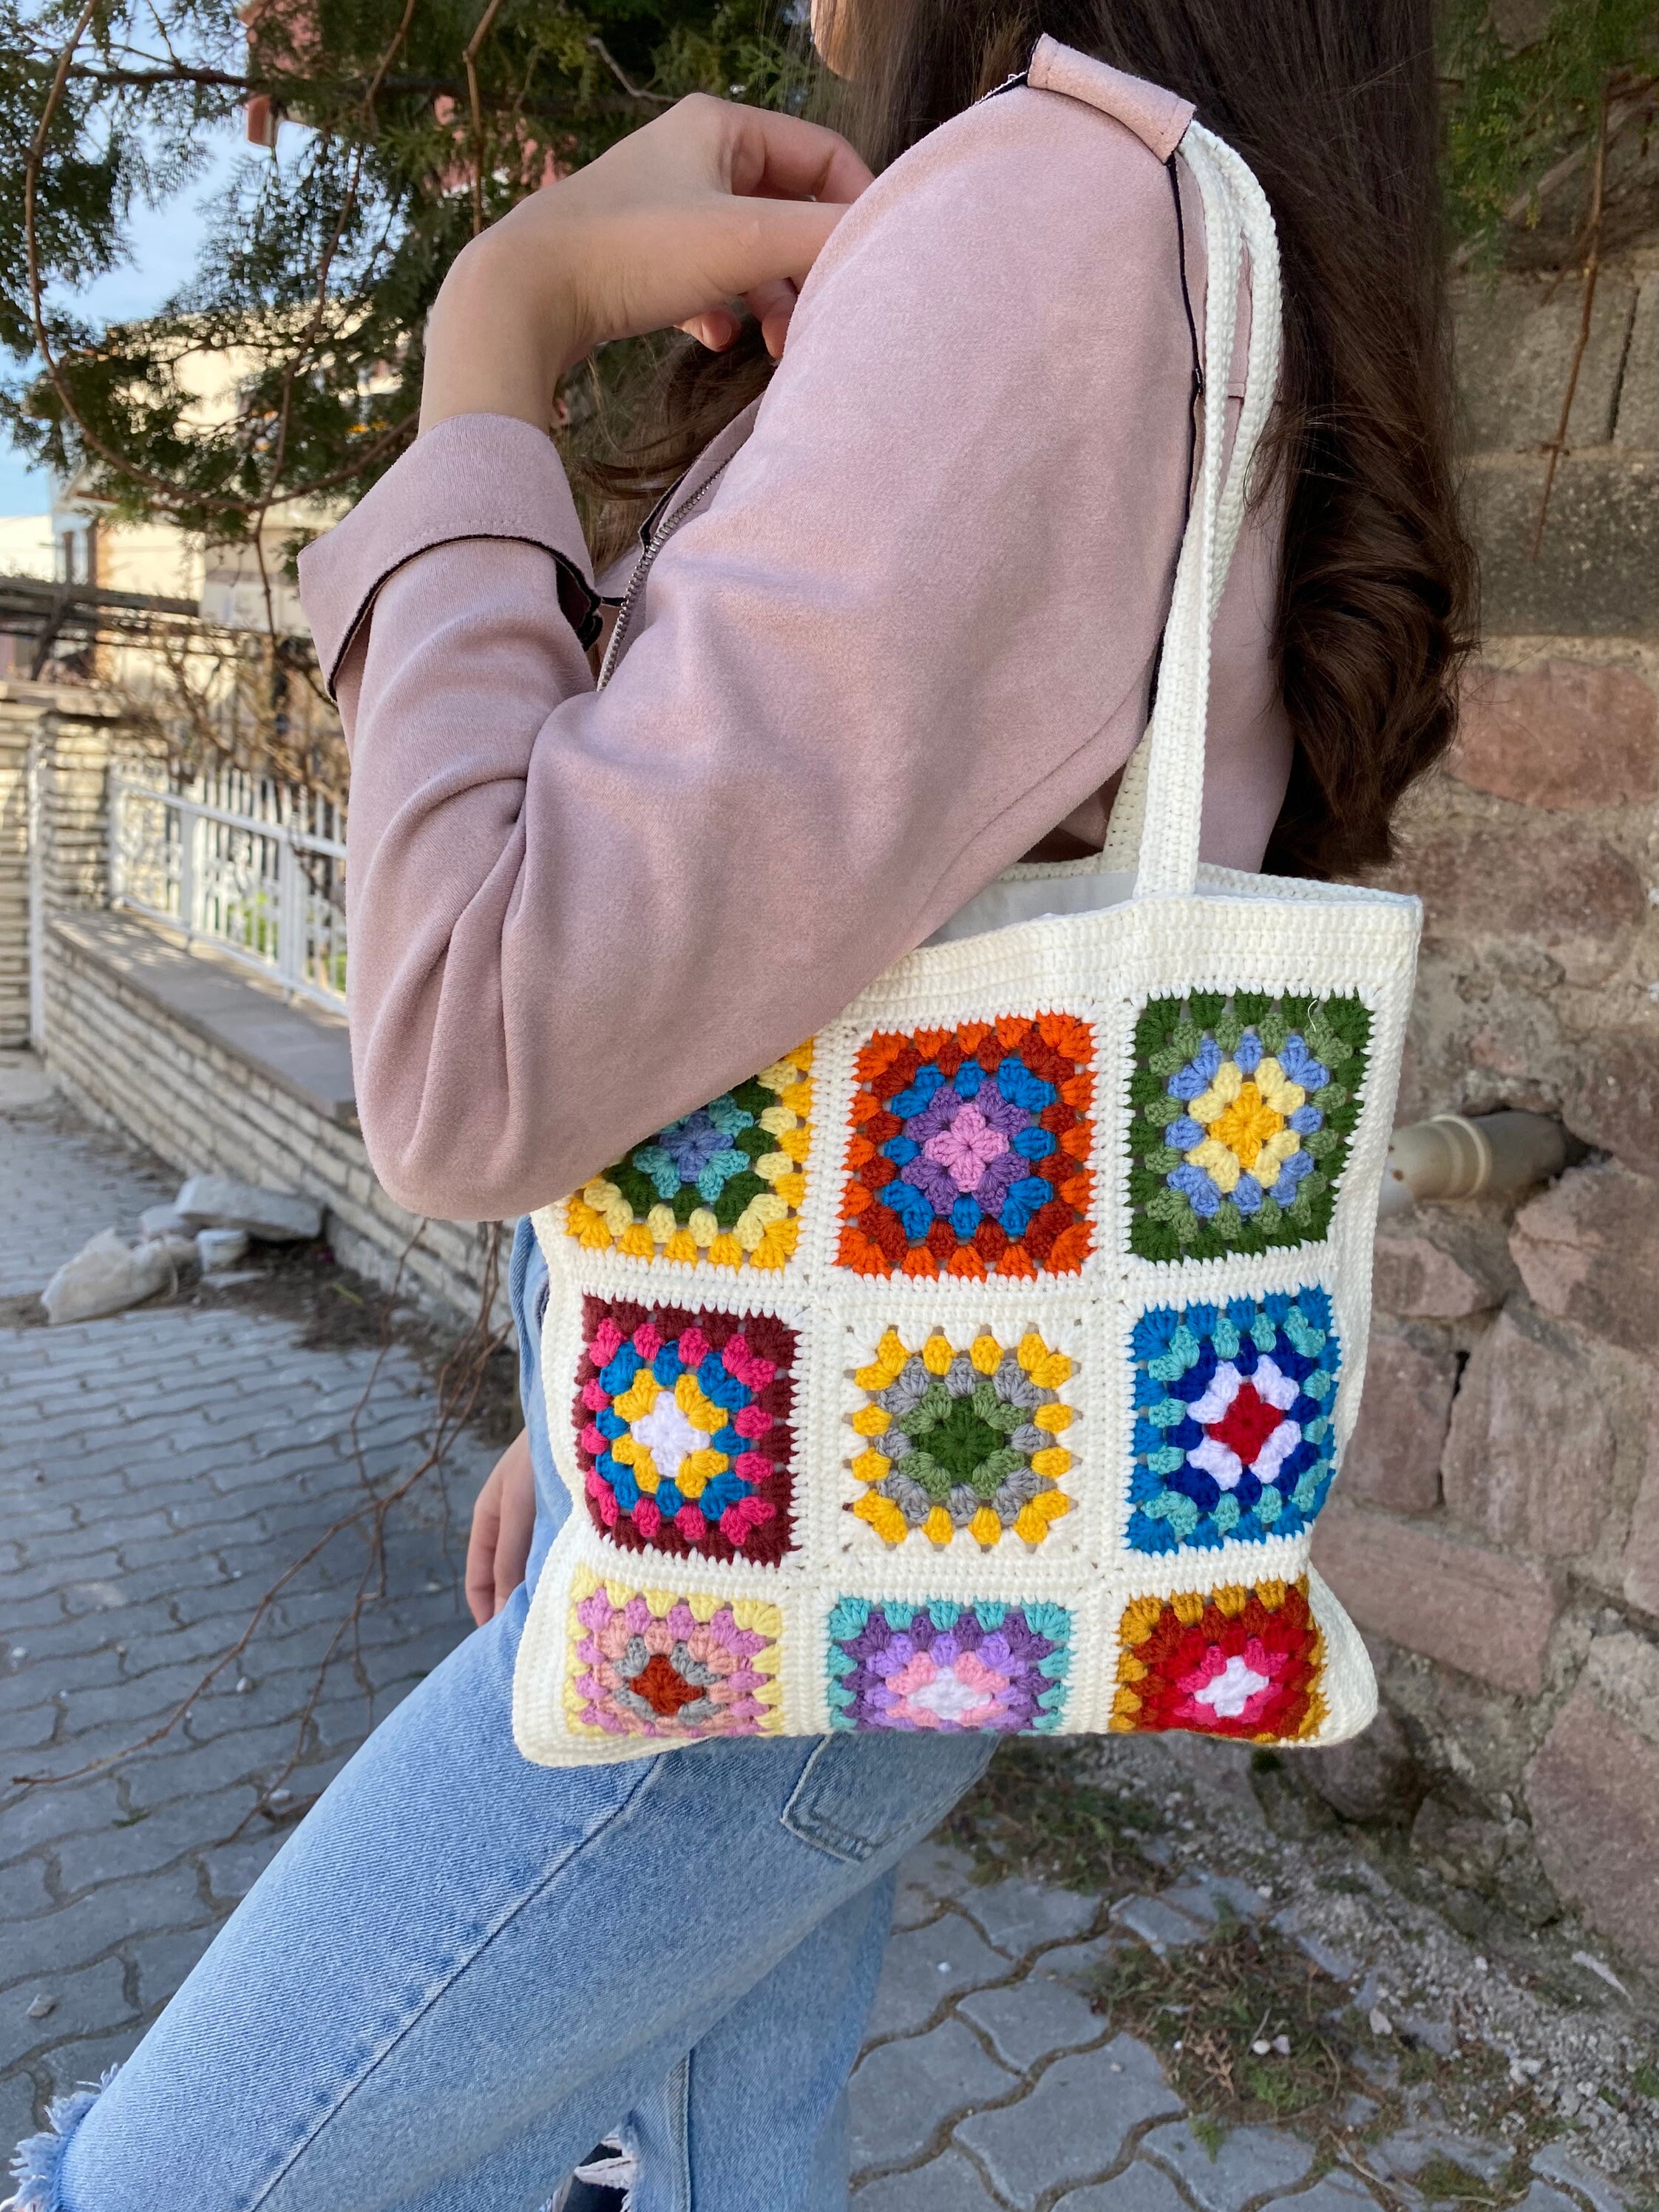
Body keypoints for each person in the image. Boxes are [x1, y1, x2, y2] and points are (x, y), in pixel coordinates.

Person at [6, 4, 1472, 2208]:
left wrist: (495, 327)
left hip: (784, 1587)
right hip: (791, 1485)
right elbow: (780, 959)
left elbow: (470, 1053)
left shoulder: (1045, 217)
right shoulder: (1134, 215)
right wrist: (598, 1362)